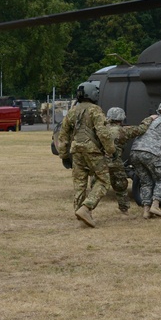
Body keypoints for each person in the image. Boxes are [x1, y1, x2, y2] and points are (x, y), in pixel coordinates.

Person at [57, 81, 116, 228]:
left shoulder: (72, 111)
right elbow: (103, 133)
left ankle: (79, 211)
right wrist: (111, 150)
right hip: (93, 150)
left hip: (76, 151)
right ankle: (86, 208)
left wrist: (64, 155)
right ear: (92, 94)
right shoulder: (95, 110)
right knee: (103, 181)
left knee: (79, 183)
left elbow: (63, 135)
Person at [105, 107, 155, 218]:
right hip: (114, 161)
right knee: (121, 185)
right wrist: (150, 118)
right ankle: (124, 212)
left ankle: (87, 208)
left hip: (98, 162)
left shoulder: (101, 129)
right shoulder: (124, 130)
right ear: (121, 118)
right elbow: (141, 129)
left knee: (99, 186)